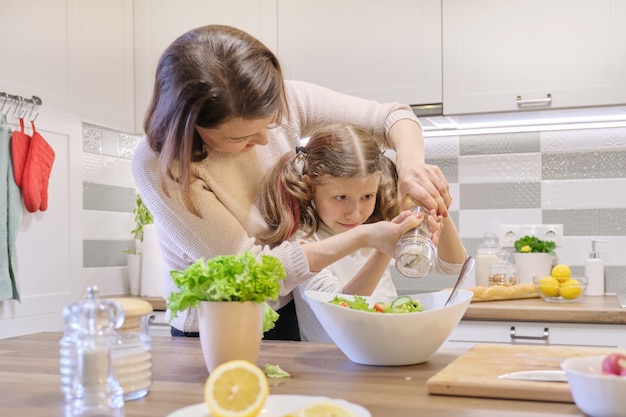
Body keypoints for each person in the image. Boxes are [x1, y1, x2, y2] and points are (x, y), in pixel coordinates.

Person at [132, 24, 452, 339]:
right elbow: (251, 273)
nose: (262, 140)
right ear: (188, 125)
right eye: (240, 136)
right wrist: (363, 237)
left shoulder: (288, 101)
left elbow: (391, 118)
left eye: (269, 124)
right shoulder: (161, 166)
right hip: (214, 325)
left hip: (283, 311)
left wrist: (411, 168)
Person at [259, 124, 467, 342]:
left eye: (367, 196)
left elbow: (452, 265)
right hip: (332, 363)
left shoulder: (376, 222)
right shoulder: (303, 240)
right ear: (311, 187)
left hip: (387, 347)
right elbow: (341, 309)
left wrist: (434, 202)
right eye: (341, 198)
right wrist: (382, 248)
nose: (355, 213)